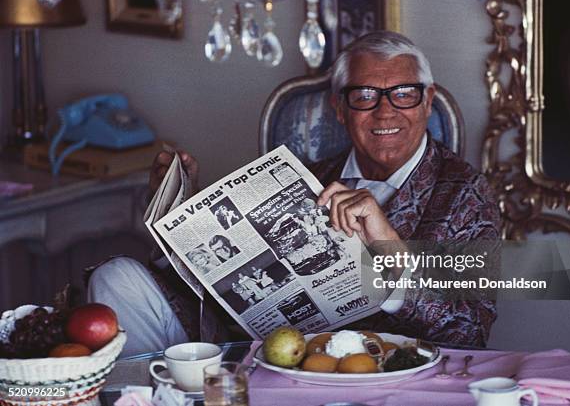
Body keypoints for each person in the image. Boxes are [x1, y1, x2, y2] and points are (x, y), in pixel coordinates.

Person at [88, 31, 500, 356]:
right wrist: (180, 212)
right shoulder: (305, 177)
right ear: (340, 109)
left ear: (427, 101)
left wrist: (387, 246)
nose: (386, 111)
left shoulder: (465, 194)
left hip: (383, 368)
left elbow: (469, 331)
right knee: (118, 277)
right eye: (365, 96)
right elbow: (222, 285)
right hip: (269, 352)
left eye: (405, 94)